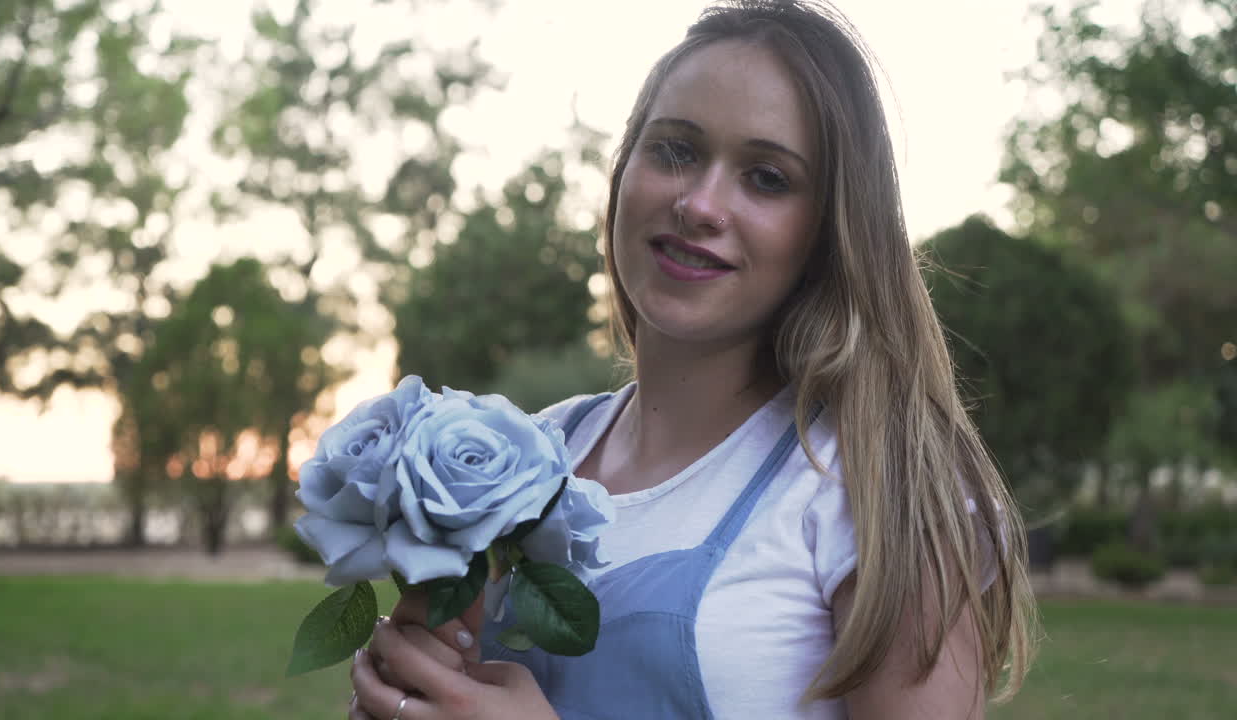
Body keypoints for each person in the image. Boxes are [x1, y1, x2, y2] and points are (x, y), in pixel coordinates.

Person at [348, 1, 1037, 718]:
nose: (701, 204)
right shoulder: (529, 454)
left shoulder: (871, 490)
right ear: (624, 172)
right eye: (675, 150)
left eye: (767, 177)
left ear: (829, 229)